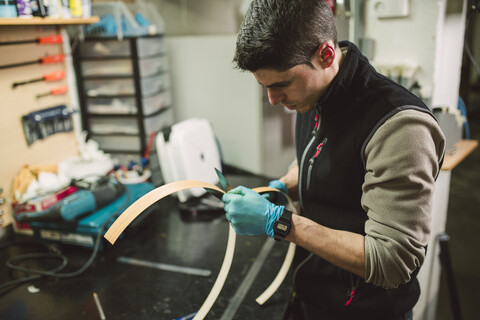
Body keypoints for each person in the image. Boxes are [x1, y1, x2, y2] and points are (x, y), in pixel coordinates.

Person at [221, 1, 446, 319]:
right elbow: (325, 153)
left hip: (364, 311)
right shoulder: (314, 93)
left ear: (326, 55)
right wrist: (286, 183)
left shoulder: (399, 127)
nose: (273, 100)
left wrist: (281, 222)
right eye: (265, 88)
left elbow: (392, 261)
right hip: (313, 292)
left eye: (281, 84)